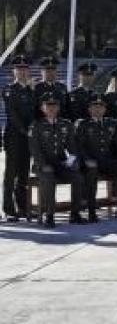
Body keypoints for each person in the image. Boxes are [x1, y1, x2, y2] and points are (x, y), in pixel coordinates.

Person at [29, 94, 85, 227]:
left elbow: (72, 148)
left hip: (60, 164)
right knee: (49, 178)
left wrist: (72, 163)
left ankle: (75, 213)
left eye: (54, 106)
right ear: (42, 108)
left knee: (78, 178)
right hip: (42, 165)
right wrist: (43, 165)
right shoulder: (36, 126)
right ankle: (49, 215)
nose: (51, 109)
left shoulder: (66, 124)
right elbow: (34, 149)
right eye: (48, 106)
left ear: (58, 108)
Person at [76, 94, 117, 223]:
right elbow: (79, 146)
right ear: (90, 110)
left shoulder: (112, 123)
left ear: (105, 109)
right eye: (95, 107)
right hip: (90, 162)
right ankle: (92, 211)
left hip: (107, 161)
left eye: (101, 107)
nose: (98, 110)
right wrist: (86, 160)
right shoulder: (83, 124)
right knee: (91, 173)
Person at [2, 55, 35, 221]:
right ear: (14, 71)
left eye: (25, 68)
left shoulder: (30, 91)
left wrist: (33, 129)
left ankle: (23, 207)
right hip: (14, 137)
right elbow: (12, 115)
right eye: (19, 68)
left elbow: (34, 113)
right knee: (11, 174)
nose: (22, 71)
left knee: (23, 174)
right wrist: (25, 130)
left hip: (27, 138)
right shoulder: (9, 89)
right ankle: (8, 209)